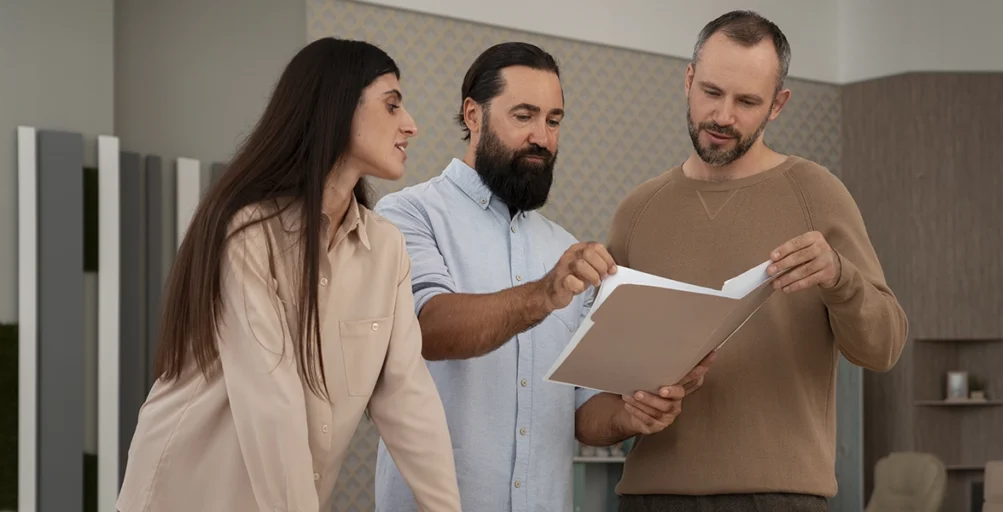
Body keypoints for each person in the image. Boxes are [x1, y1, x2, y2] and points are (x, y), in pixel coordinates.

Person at [575, 10, 909, 512]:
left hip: (782, 499)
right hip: (650, 497)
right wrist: (631, 410)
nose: (723, 116)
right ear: (688, 81)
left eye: (747, 101)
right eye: (711, 92)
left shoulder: (818, 194)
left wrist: (841, 277)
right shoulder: (636, 212)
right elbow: (592, 399)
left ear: (778, 105)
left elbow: (884, 347)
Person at [115, 38, 461, 512]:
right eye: (392, 105)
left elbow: (407, 395)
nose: (411, 125)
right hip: (185, 494)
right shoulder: (248, 234)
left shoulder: (387, 248)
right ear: (337, 109)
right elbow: (270, 401)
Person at [372, 42, 713, 512]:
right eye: (524, 116)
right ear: (473, 115)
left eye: (553, 121)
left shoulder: (562, 248)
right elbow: (427, 330)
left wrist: (634, 412)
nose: (542, 137)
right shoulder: (406, 214)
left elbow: (583, 414)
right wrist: (544, 294)